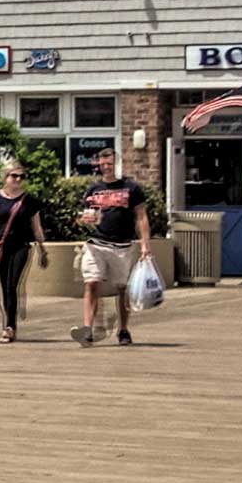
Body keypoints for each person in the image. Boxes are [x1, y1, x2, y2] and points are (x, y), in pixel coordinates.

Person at [71, 147, 155, 348]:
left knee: (122, 289)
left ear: (116, 163)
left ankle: (123, 330)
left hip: (122, 246)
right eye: (103, 164)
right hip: (96, 243)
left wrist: (145, 245)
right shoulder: (93, 190)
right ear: (98, 166)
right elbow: (85, 217)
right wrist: (84, 220)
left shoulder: (131, 188)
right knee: (91, 283)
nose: (106, 168)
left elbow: (141, 217)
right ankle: (87, 330)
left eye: (110, 164)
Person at [0, 157, 45, 344]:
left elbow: (36, 226)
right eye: (14, 176)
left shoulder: (29, 201)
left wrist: (42, 248)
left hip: (21, 246)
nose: (18, 180)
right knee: (4, 287)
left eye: (22, 176)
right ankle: (8, 324)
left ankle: (10, 327)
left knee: (13, 284)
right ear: (5, 177)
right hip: (0, 247)